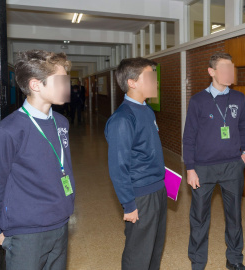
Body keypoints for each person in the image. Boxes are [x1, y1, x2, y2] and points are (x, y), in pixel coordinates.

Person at [0, 50, 75, 270]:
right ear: (35, 85)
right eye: (60, 81)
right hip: (27, 231)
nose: (66, 87)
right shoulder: (7, 132)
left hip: (59, 223)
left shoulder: (61, 123)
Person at [183, 52, 245, 270]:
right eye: (224, 68)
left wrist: (244, 154)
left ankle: (234, 259)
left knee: (234, 217)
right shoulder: (198, 101)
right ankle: (198, 261)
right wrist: (190, 168)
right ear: (212, 72)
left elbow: (244, 128)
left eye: (231, 68)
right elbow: (189, 137)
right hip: (203, 168)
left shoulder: (239, 98)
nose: (230, 72)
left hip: (233, 166)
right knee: (200, 218)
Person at [104, 57, 167, 270]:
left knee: (155, 249)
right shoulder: (123, 119)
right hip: (140, 195)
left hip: (157, 189)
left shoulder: (146, 110)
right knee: (138, 253)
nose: (155, 82)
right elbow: (118, 166)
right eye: (150, 78)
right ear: (132, 83)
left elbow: (148, 150)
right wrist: (129, 204)